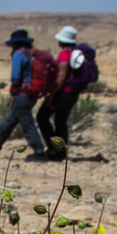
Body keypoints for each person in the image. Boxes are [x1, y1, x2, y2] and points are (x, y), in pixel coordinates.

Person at [0, 29, 47, 161]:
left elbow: (16, 77)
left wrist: (12, 90)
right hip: (31, 94)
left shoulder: (18, 55)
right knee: (11, 121)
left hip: (22, 94)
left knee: (27, 124)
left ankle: (39, 152)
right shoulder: (30, 54)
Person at [37, 26, 83, 160]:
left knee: (42, 117)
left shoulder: (65, 53)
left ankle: (54, 148)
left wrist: (51, 94)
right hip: (73, 93)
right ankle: (61, 152)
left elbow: (62, 76)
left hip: (62, 92)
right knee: (61, 122)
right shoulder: (77, 53)